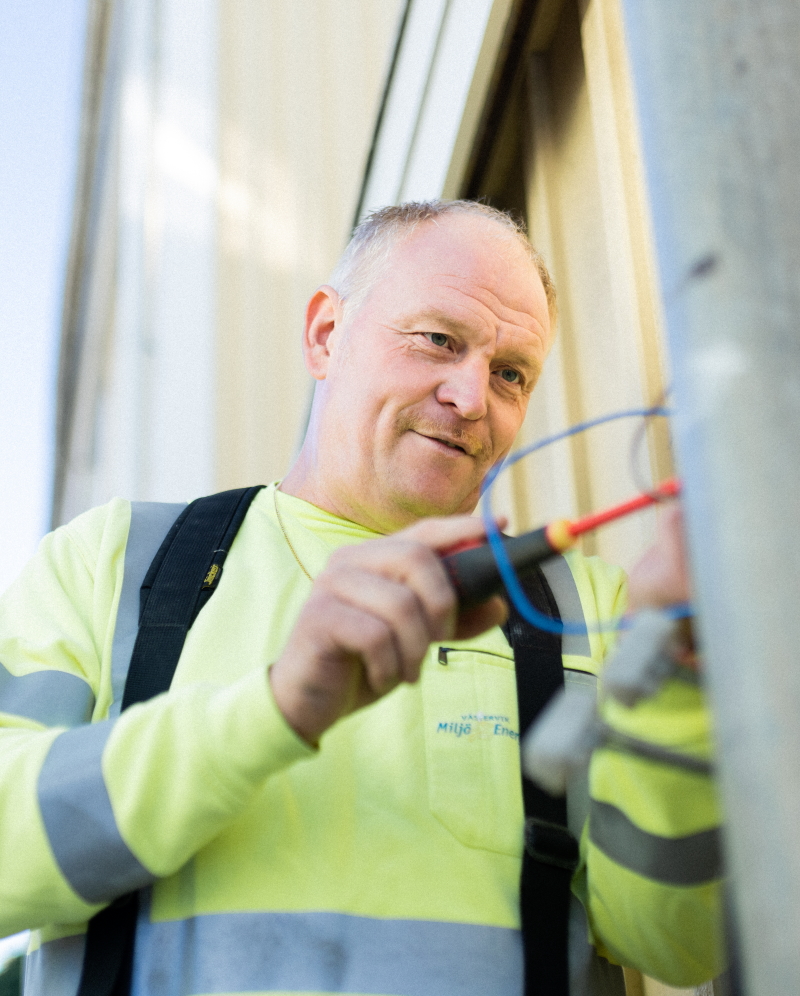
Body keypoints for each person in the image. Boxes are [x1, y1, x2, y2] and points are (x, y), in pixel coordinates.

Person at [0, 201, 723, 996]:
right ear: (324, 334)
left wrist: (675, 691)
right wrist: (271, 712)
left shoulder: (593, 611)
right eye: (439, 340)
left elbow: (682, 947)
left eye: (510, 373)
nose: (472, 397)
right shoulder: (115, 561)